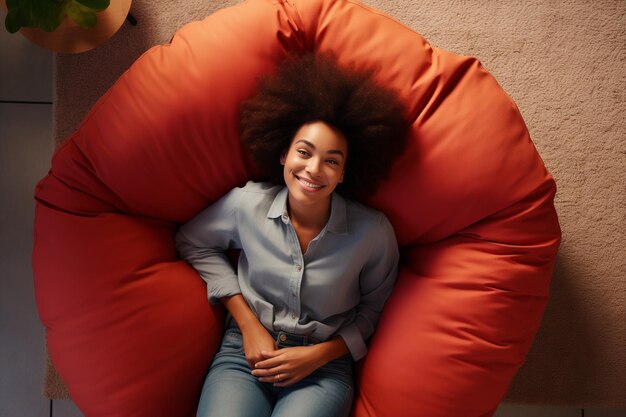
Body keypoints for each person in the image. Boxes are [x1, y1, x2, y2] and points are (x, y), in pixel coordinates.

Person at [175, 52, 409, 417]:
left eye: (331, 160)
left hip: (323, 366)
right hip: (244, 354)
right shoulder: (246, 204)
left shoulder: (372, 232)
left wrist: (318, 355)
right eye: (304, 152)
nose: (314, 170)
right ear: (284, 155)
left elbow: (373, 310)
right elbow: (193, 241)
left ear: (344, 173)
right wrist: (248, 325)